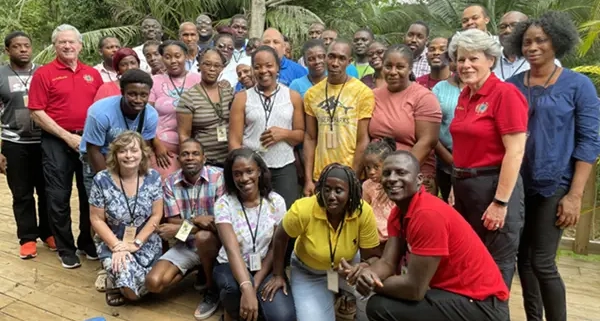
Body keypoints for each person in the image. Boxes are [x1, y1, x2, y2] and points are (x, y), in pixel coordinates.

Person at [505, 11, 600, 321]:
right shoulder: (512, 85)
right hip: (518, 184)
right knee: (523, 258)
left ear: (556, 43)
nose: (533, 47)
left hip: (555, 183)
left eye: (541, 40)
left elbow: (589, 142)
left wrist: (574, 195)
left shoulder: (578, 85)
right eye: (527, 41)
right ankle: (534, 318)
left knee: (542, 260)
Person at [342, 151, 510, 321]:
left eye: (401, 172)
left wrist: (371, 282)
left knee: (381, 307)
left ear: (419, 179)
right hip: (456, 296)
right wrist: (367, 273)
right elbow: (387, 262)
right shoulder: (398, 213)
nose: (392, 178)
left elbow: (414, 289)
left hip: (482, 304)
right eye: (387, 173)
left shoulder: (427, 214)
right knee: (383, 303)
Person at [448, 29, 527, 288]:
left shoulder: (505, 94)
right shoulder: (465, 95)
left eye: (473, 58)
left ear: (490, 59)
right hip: (464, 187)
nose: (466, 65)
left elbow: (515, 151)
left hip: (494, 187)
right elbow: (462, 145)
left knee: (495, 265)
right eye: (461, 59)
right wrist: (453, 186)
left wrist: (500, 202)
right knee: (470, 260)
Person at [28, 24, 103, 269]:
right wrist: (66, 136)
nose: (68, 46)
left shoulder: (92, 73)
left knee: (90, 193)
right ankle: (65, 247)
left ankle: (86, 241)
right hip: (55, 141)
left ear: (80, 45)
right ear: (55, 46)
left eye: (72, 42)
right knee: (58, 195)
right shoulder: (44, 74)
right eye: (62, 42)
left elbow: (101, 108)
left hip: (89, 141)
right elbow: (36, 112)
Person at [266, 163, 380, 321]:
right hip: (309, 273)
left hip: (347, 269)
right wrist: (278, 274)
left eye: (338, 190)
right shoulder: (303, 209)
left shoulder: (363, 211)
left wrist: (363, 268)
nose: (331, 196)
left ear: (350, 193)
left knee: (373, 292)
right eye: (327, 190)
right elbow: (280, 237)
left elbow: (372, 257)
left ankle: (351, 304)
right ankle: (333, 298)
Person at [213, 147, 296, 321]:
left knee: (283, 317)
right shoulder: (224, 204)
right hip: (231, 265)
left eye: (249, 171)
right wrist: (246, 287)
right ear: (231, 176)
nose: (244, 178)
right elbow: (231, 249)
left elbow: (276, 248)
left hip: (265, 266)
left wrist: (254, 285)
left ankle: (247, 308)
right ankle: (232, 313)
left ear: (259, 171)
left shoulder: (276, 202)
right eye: (237, 174)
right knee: (232, 290)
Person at [145, 138, 225, 320]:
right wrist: (197, 220)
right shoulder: (170, 183)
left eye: (195, 153)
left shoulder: (219, 178)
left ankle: (212, 291)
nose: (190, 158)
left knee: (204, 237)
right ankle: (196, 269)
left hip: (215, 245)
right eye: (185, 154)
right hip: (186, 245)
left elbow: (220, 223)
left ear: (204, 158)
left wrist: (184, 226)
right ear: (179, 159)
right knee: (153, 283)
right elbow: (173, 221)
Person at [89, 131, 163, 306]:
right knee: (132, 295)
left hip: (145, 241)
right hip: (113, 240)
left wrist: (135, 243)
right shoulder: (101, 180)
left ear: (143, 153)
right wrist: (117, 246)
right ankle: (115, 282)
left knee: (155, 283)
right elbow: (96, 219)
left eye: (134, 150)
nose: (129, 155)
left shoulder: (153, 177)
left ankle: (116, 280)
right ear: (114, 154)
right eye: (122, 151)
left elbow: (156, 214)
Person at [229, 46, 304, 209]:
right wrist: (242, 168)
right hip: (251, 170)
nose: (263, 70)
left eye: (269, 65)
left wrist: (283, 134)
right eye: (257, 66)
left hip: (284, 167)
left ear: (277, 67)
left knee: (286, 217)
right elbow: (234, 141)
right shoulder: (242, 98)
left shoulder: (293, 97)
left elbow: (300, 135)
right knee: (254, 213)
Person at [0, 31, 54, 259]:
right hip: (14, 142)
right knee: (21, 193)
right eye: (17, 46)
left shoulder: (44, 72)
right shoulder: (1, 75)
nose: (23, 50)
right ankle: (28, 238)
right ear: (7, 50)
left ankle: (49, 233)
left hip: (44, 142)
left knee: (48, 191)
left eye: (26, 46)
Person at [303, 39, 374, 196]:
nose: (335, 63)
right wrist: (308, 179)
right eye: (331, 56)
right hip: (320, 175)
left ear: (349, 62)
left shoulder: (362, 92)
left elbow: (363, 140)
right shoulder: (312, 94)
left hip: (350, 173)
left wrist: (353, 178)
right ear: (325, 58)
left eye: (341, 58)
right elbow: (309, 137)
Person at [369, 45, 441, 195]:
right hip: (376, 175)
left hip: (412, 174)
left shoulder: (423, 97)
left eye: (400, 67)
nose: (393, 72)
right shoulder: (372, 96)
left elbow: (427, 142)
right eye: (388, 66)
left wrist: (395, 175)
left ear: (410, 68)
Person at [80, 69, 159, 196]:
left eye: (144, 95)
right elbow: (93, 149)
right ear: (122, 92)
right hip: (99, 156)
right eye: (132, 94)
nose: (138, 100)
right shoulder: (100, 113)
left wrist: (139, 178)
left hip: (129, 158)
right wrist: (110, 185)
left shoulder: (151, 115)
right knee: (102, 200)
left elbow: (145, 148)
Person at [150, 40, 202, 180]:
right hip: (164, 151)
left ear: (186, 56)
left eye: (177, 56)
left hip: (195, 150)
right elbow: (146, 116)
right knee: (168, 188)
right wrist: (157, 144)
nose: (173, 61)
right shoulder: (155, 81)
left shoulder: (198, 80)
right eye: (167, 57)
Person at [177, 49, 234, 167]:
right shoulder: (189, 97)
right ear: (199, 66)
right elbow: (184, 135)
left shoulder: (229, 91)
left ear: (222, 68)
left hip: (231, 158)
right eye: (207, 64)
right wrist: (191, 161)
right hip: (205, 162)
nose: (212, 69)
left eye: (217, 65)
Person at [432, 36, 463, 202]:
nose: (460, 63)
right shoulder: (439, 89)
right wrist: (450, 160)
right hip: (445, 161)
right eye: (455, 58)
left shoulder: (489, 88)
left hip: (479, 166)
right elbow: (431, 132)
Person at [361, 138, 396, 247]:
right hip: (374, 236)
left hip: (393, 235)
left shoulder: (395, 184)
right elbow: (364, 210)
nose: (371, 172)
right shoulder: (367, 186)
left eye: (376, 167)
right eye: (368, 167)